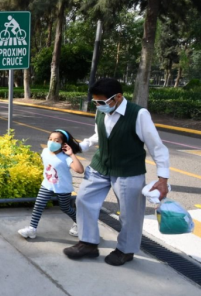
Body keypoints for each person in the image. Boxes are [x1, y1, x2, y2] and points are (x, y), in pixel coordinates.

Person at [63, 78, 170, 266]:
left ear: (118, 97)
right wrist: (83, 145)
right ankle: (88, 243)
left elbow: (157, 146)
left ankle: (126, 250)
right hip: (101, 166)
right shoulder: (101, 109)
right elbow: (101, 133)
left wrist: (163, 178)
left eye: (102, 102)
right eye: (95, 102)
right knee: (83, 200)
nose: (98, 105)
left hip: (128, 169)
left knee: (130, 213)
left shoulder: (139, 114)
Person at [18, 129, 84, 239]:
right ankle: (32, 229)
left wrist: (71, 154)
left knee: (65, 208)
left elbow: (80, 170)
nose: (52, 142)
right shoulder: (44, 151)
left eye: (56, 140)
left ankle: (80, 224)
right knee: (39, 205)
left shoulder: (66, 157)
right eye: (50, 139)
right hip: (47, 184)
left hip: (63, 187)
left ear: (63, 144)